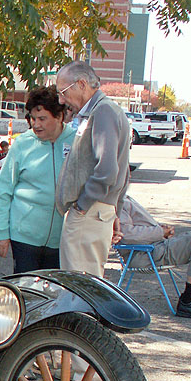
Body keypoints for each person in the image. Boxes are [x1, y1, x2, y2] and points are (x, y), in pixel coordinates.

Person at [54, 60, 131, 278]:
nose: (61, 100)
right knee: (86, 282)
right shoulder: (102, 111)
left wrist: (81, 206)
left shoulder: (103, 111)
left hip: (89, 213)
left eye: (63, 92)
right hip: (96, 211)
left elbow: (107, 170)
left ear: (81, 84)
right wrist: (115, 209)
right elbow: (122, 171)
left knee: (80, 286)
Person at [0, 86, 76, 272]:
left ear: (59, 117)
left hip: (62, 239)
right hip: (24, 238)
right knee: (27, 295)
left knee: (56, 296)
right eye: (32, 118)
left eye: (42, 119)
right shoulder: (22, 144)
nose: (35, 124)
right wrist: (1, 232)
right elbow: (4, 191)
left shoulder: (76, 141)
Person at [115, 195, 191, 320]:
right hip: (143, 254)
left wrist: (161, 228)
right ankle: (188, 301)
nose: (129, 177)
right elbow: (126, 234)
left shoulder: (123, 197)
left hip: (153, 247)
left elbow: (140, 225)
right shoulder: (117, 202)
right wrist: (160, 232)